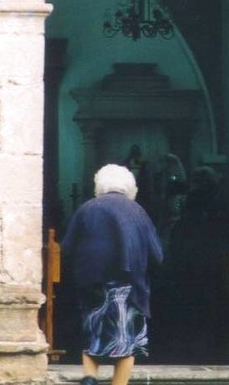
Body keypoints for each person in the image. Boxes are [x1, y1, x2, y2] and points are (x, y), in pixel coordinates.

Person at [61, 164, 164, 385]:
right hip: (128, 285)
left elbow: (67, 248)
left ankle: (90, 378)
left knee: (93, 332)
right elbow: (156, 254)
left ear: (99, 186)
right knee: (127, 341)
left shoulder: (87, 208)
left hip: (91, 281)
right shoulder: (138, 211)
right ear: (130, 187)